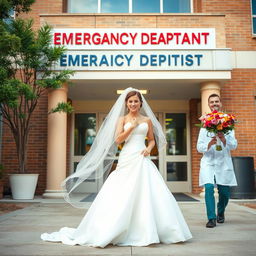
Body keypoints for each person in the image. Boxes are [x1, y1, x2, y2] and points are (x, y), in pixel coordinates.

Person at [41, 88, 192, 247]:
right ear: (126, 104)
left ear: (141, 103)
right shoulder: (122, 119)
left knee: (147, 190)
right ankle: (115, 227)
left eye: (136, 101)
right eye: (130, 101)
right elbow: (118, 140)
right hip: (127, 157)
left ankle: (152, 230)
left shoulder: (147, 120)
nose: (133, 104)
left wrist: (149, 148)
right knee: (122, 190)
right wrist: (132, 127)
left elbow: (152, 140)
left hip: (141, 157)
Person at [197, 94, 237, 228]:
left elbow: (234, 145)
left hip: (223, 161)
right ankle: (211, 218)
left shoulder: (228, 123)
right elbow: (199, 147)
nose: (214, 104)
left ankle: (221, 212)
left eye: (216, 101)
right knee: (208, 188)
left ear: (220, 103)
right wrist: (209, 143)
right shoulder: (204, 125)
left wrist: (223, 139)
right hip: (208, 161)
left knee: (224, 193)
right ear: (208, 105)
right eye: (212, 102)